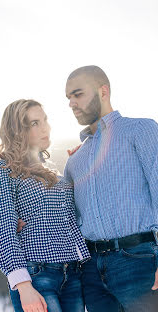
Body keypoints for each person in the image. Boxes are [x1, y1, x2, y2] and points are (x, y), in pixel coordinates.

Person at [64, 65, 158, 312]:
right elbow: (67, 216)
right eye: (68, 98)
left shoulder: (141, 130)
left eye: (78, 94)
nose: (71, 103)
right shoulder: (74, 161)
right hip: (91, 272)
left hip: (139, 260)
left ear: (103, 91)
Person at [0, 99, 90, 312]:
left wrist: (85, 156)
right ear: (17, 131)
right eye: (34, 123)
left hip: (73, 274)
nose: (45, 128)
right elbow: (4, 231)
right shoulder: (1, 171)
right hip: (36, 275)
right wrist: (23, 286)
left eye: (45, 120)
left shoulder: (55, 175)